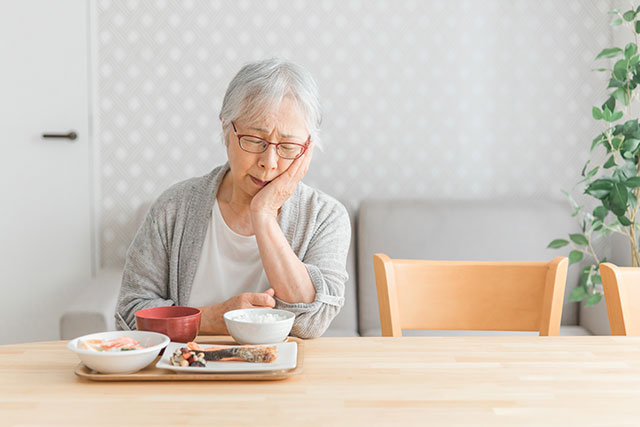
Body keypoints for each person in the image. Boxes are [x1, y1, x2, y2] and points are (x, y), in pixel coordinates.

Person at [115, 58, 350, 339]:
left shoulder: (326, 217)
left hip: (284, 378)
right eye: (254, 140)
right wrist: (213, 318)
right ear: (226, 128)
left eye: (288, 147)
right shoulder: (173, 208)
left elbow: (309, 323)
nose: (269, 162)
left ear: (308, 148)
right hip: (186, 376)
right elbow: (131, 315)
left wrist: (262, 214)